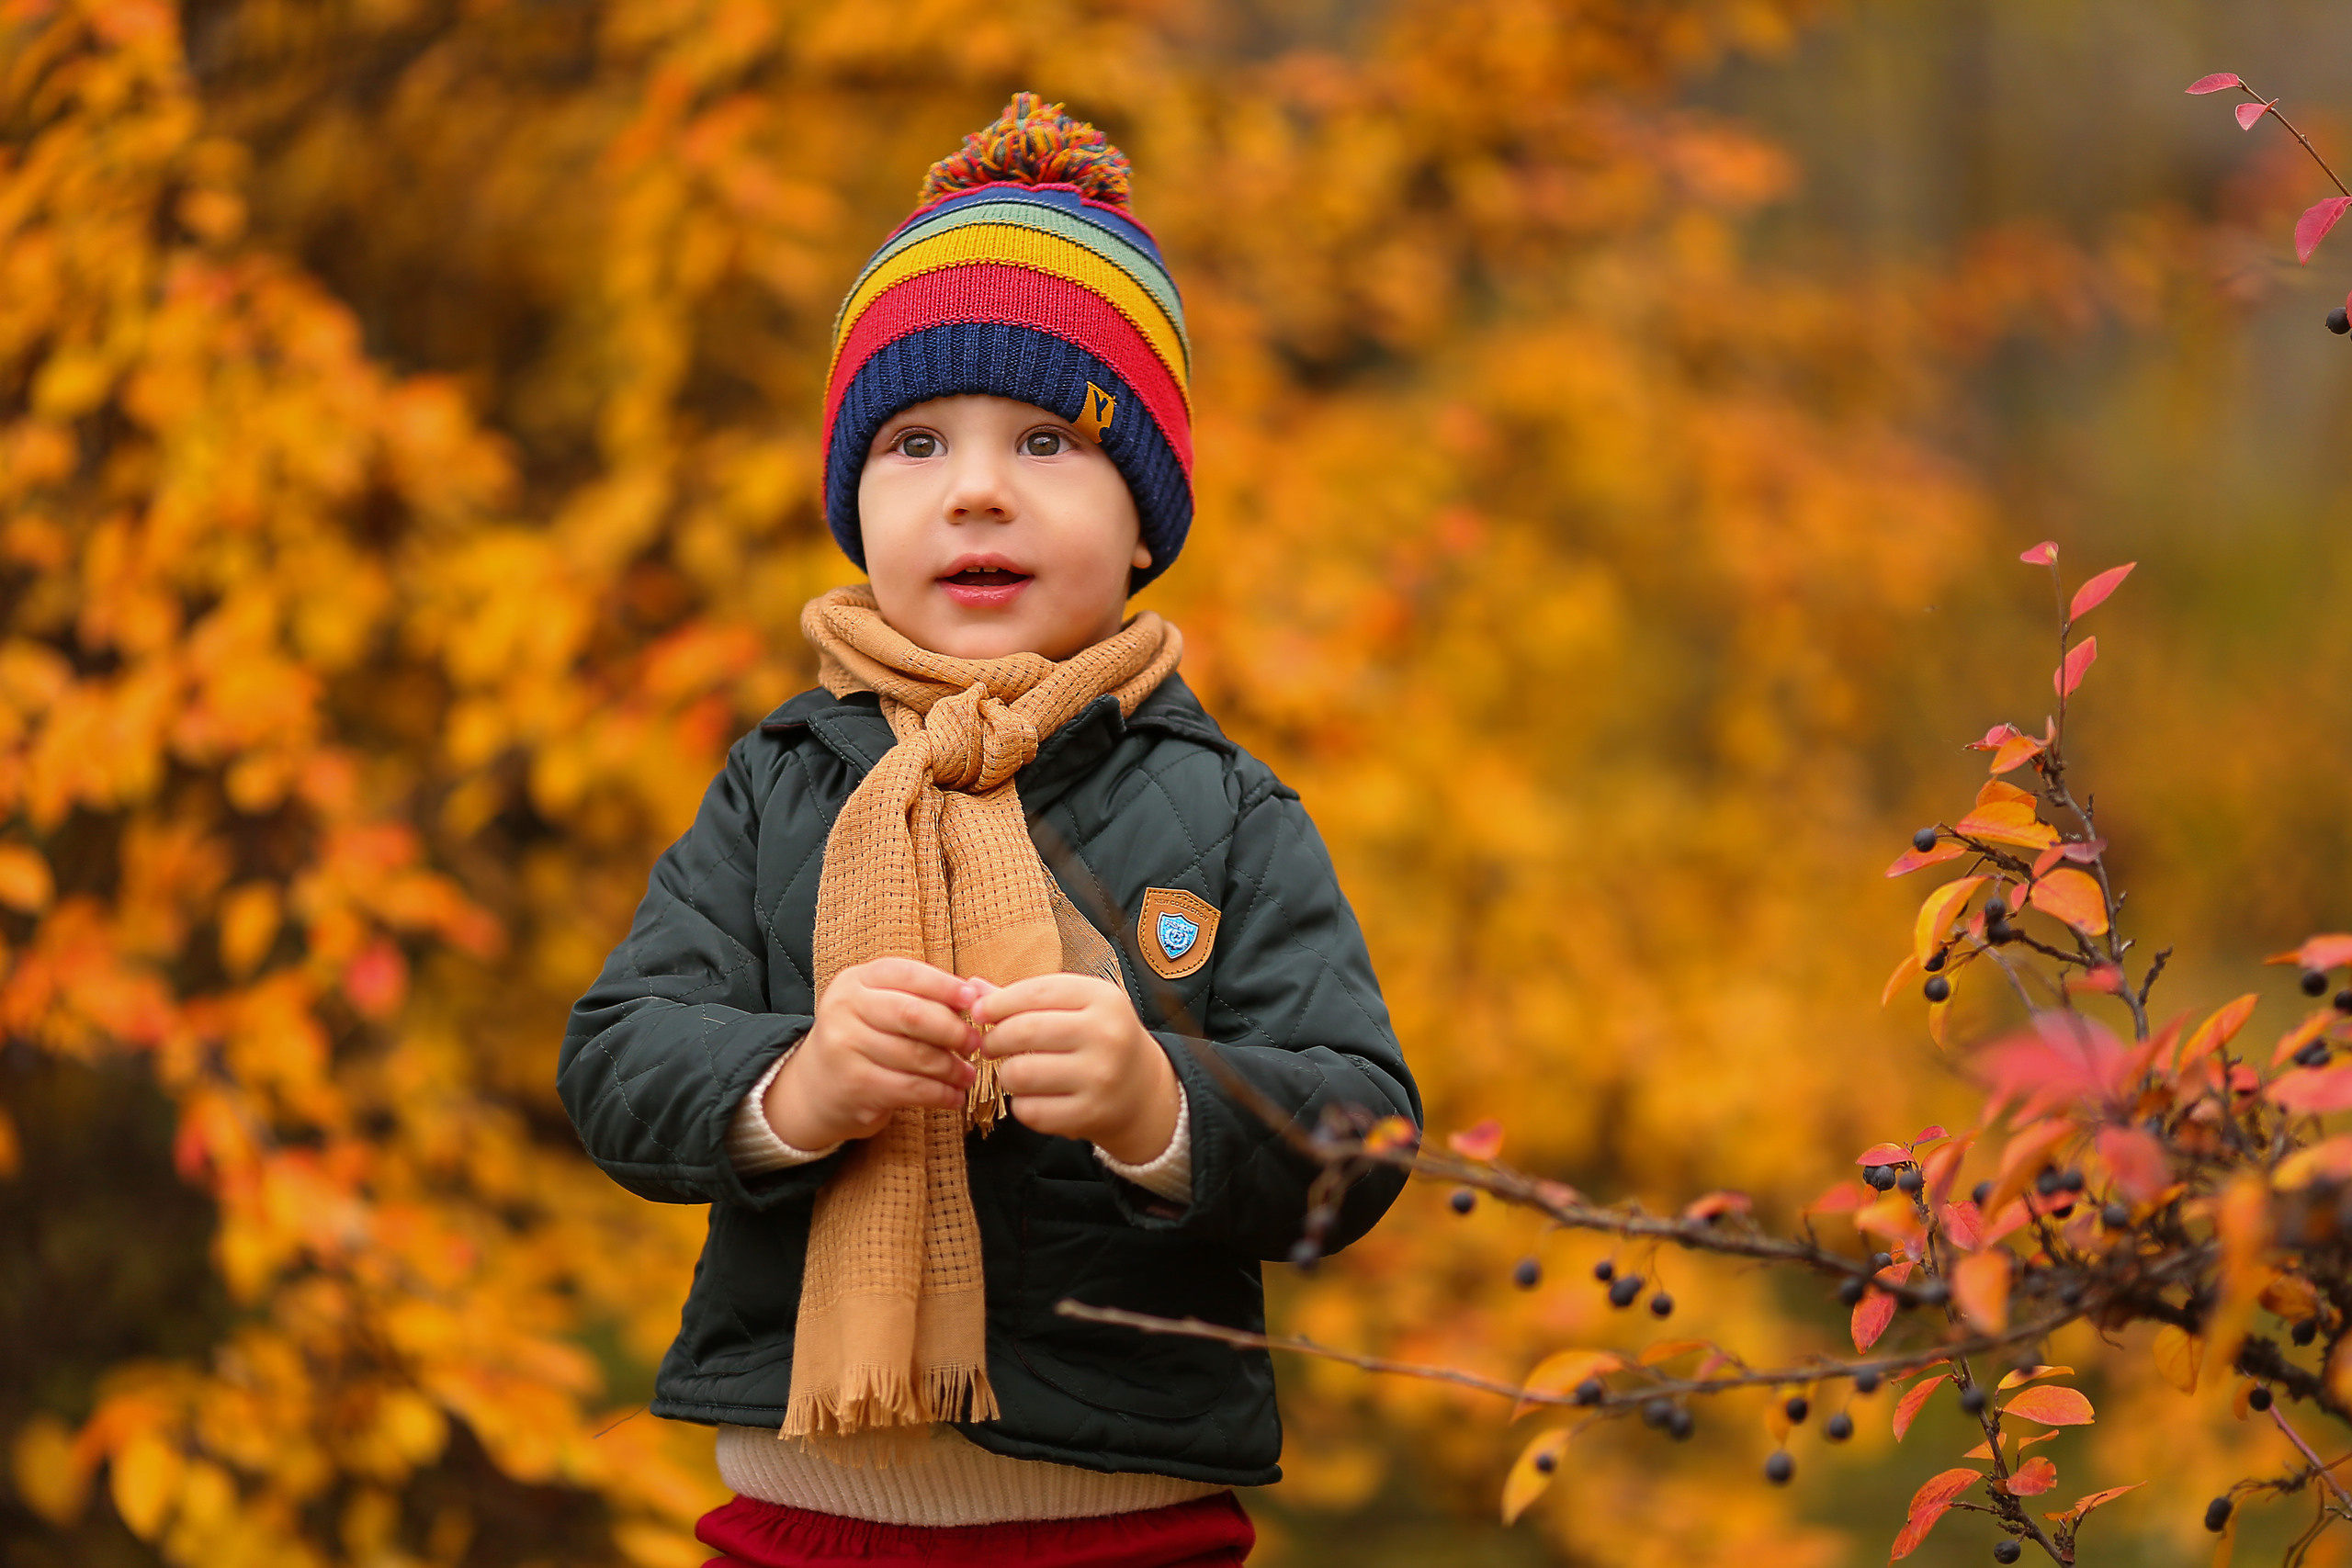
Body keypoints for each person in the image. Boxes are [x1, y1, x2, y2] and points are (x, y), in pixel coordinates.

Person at [560, 93, 1419, 1568]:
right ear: (853, 503)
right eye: (913, 443)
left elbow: (1362, 1131)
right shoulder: (782, 785)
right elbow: (618, 1058)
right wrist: (801, 1078)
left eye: (1043, 440)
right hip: (804, 1516)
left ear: (1145, 516)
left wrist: (1163, 1107)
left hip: (1125, 1522)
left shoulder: (1221, 807)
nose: (973, 488)